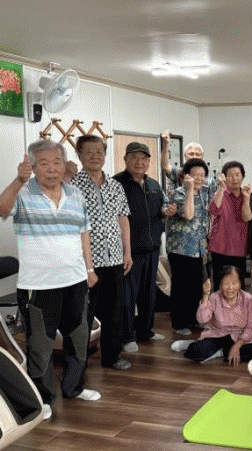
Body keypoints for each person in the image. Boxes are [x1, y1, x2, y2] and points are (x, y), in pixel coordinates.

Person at [0, 140, 102, 420]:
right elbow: (2, 209)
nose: (51, 168)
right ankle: (42, 398)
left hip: (75, 280)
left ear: (64, 164)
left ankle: (74, 388)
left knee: (78, 338)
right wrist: (18, 180)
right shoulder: (23, 192)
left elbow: (84, 233)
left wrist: (90, 269)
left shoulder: (75, 194)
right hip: (39, 286)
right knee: (40, 346)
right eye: (43, 163)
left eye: (57, 162)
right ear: (32, 167)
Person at [70, 135, 132, 370]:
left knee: (115, 309)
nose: (95, 156)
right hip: (86, 262)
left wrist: (127, 252)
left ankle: (112, 356)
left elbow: (123, 219)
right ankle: (78, 361)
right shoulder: (72, 186)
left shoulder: (115, 186)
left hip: (114, 257)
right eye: (89, 152)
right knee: (84, 313)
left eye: (99, 152)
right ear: (79, 155)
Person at [114, 142, 176, 352]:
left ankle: (146, 331)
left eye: (143, 158)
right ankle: (127, 337)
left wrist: (166, 212)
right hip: (129, 252)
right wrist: (125, 250)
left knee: (148, 294)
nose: (139, 162)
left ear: (149, 161)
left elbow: (161, 210)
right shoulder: (116, 184)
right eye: (134, 158)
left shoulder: (154, 185)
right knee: (128, 297)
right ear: (125, 159)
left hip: (152, 248)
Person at [171, 266, 252, 364]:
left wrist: (237, 346)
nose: (230, 288)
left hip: (239, 337)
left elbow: (251, 326)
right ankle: (195, 344)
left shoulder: (248, 299)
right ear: (220, 285)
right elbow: (201, 319)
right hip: (218, 335)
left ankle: (219, 352)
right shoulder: (214, 297)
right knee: (196, 351)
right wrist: (205, 296)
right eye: (226, 284)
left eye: (234, 283)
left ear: (240, 284)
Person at [166, 159, 211, 336]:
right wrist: (190, 189)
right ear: (186, 176)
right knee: (181, 287)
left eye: (202, 175)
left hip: (198, 247)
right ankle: (178, 323)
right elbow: (188, 215)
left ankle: (193, 319)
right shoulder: (177, 193)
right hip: (180, 248)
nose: (199, 178)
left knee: (195, 286)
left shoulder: (204, 193)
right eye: (195, 175)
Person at [208, 161, 249, 288]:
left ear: (243, 176)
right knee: (220, 285)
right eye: (230, 175)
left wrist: (247, 198)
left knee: (238, 287)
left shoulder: (246, 195)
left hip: (240, 248)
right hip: (220, 248)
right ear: (225, 178)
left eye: (237, 175)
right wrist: (221, 188)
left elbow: (248, 217)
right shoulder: (221, 194)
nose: (234, 178)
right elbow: (214, 210)